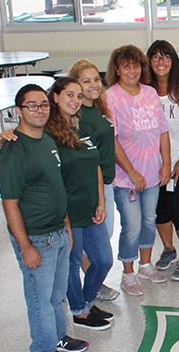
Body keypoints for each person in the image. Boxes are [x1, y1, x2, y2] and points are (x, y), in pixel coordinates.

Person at [0, 84, 88, 352]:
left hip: (58, 232)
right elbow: (10, 203)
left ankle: (58, 338)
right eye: (31, 106)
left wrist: (67, 225)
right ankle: (42, 350)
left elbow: (55, 186)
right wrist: (25, 246)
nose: (39, 110)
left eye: (43, 105)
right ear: (18, 111)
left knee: (56, 294)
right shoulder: (13, 151)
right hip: (36, 237)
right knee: (39, 298)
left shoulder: (47, 139)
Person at [47, 78, 114, 331]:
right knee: (72, 264)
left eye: (78, 96)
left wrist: (101, 200)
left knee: (103, 260)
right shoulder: (48, 133)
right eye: (69, 95)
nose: (75, 100)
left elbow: (95, 164)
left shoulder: (81, 127)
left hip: (90, 207)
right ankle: (79, 312)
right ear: (55, 97)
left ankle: (85, 301)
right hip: (68, 211)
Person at [106, 45, 171, 296]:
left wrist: (165, 163)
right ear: (117, 69)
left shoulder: (150, 93)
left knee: (148, 219)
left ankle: (146, 265)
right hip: (126, 177)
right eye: (126, 66)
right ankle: (128, 273)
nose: (131, 70)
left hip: (153, 172)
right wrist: (131, 171)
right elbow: (111, 140)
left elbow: (162, 131)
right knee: (131, 225)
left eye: (135, 65)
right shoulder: (110, 97)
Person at [147, 40, 179, 281]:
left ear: (173, 61)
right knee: (159, 210)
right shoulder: (145, 90)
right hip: (152, 163)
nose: (161, 62)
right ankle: (169, 249)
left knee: (176, 207)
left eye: (166, 57)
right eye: (156, 57)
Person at [70, 60, 120, 303]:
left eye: (96, 79)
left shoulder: (98, 108)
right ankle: (93, 284)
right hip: (90, 186)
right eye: (86, 81)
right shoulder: (75, 115)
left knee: (106, 231)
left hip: (106, 181)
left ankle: (92, 281)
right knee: (90, 240)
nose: (93, 85)